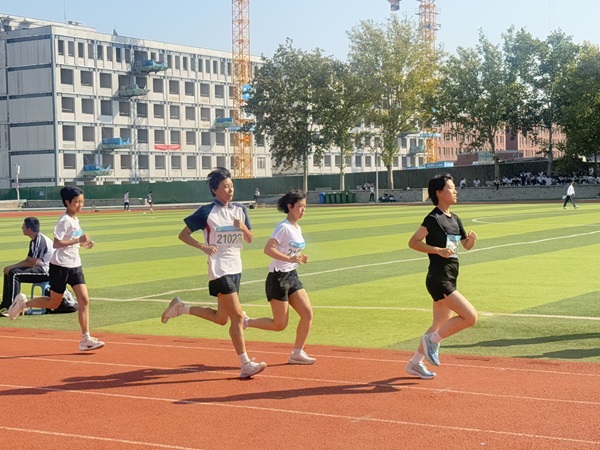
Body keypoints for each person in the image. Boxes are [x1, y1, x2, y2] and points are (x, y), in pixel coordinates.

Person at [160, 168, 266, 379]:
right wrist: (203, 247)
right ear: (214, 189)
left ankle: (181, 308)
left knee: (221, 318)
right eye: (225, 186)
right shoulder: (206, 212)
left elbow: (250, 239)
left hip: (236, 267)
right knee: (238, 317)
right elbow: (183, 235)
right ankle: (245, 364)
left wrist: (243, 228)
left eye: (232, 186)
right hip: (219, 268)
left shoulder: (240, 209)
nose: (230, 190)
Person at [8, 186, 105, 351]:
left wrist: (85, 244)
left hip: (75, 265)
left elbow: (73, 241)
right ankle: (24, 303)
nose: (80, 205)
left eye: (82, 202)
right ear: (67, 202)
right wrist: (78, 240)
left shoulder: (75, 220)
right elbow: (57, 243)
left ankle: (85, 339)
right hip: (60, 266)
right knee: (54, 303)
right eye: (77, 202)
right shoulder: (64, 221)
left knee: (84, 300)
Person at [405, 174, 478, 379]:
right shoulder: (433, 219)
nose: (455, 191)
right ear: (439, 193)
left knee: (438, 325)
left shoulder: (455, 219)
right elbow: (413, 242)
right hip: (439, 278)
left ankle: (414, 363)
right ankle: (433, 341)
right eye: (451, 188)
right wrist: (437, 250)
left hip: (451, 276)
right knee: (470, 316)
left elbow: (465, 245)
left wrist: (471, 240)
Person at [245, 189, 315, 365]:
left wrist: (298, 257)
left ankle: (297, 353)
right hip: (278, 278)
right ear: (290, 207)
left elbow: (290, 251)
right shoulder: (283, 228)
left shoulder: (297, 228)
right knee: (279, 324)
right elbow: (268, 249)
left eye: (305, 207)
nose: (303, 210)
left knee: (307, 314)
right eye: (300, 206)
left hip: (292, 275)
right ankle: (246, 322)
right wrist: (289, 258)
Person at [0, 217, 54, 316]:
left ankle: (13, 307)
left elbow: (31, 263)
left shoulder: (40, 240)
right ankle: (5, 304)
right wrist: (11, 266)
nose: (22, 228)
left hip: (48, 272)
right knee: (9, 272)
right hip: (41, 268)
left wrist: (12, 267)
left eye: (23, 226)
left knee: (14, 274)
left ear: (29, 229)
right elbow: (27, 260)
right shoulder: (34, 240)